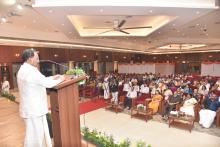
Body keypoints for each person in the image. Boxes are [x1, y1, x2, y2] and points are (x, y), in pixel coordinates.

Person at [17, 48, 65, 147]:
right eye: (37, 58)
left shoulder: (24, 69)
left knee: (35, 135)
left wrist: (53, 77)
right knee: (35, 138)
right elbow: (47, 83)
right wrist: (62, 78)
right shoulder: (30, 71)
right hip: (34, 110)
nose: (38, 60)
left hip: (31, 109)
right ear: (30, 58)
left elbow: (40, 80)